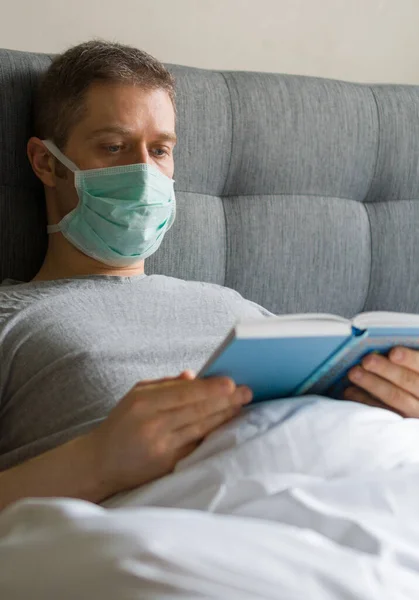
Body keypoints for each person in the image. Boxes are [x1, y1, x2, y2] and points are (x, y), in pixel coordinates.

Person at [0, 41, 418, 513]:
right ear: (46, 162)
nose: (143, 173)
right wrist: (97, 461)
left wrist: (387, 400)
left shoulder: (234, 308)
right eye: (114, 147)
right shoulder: (11, 319)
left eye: (159, 150)